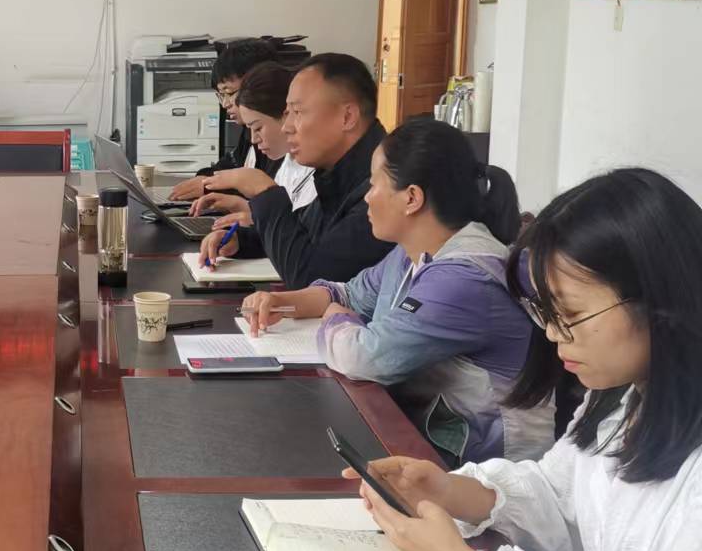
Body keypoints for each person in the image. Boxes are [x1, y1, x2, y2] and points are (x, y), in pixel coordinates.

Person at [354, 167, 702, 551]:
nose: (552, 335)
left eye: (570, 313)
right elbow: (560, 493)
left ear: (661, 300)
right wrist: (453, 490)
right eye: (545, 311)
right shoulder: (623, 397)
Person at [241, 117, 552, 462]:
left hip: (487, 464)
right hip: (429, 432)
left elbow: (365, 357)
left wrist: (334, 317)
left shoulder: (464, 278)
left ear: (412, 198)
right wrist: (284, 302)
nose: (366, 197)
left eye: (374, 185)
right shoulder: (411, 253)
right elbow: (350, 294)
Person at [199, 52, 389, 288]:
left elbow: (312, 279)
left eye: (297, 112)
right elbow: (305, 233)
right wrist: (241, 242)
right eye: (287, 113)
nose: (287, 127)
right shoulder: (336, 172)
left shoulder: (385, 186)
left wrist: (265, 191)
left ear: (347, 117)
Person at [167, 37, 309, 203]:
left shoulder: (284, 147)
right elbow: (232, 165)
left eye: (229, 93)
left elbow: (265, 193)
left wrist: (220, 187)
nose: (225, 104)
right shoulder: (251, 132)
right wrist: (206, 180)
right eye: (221, 95)